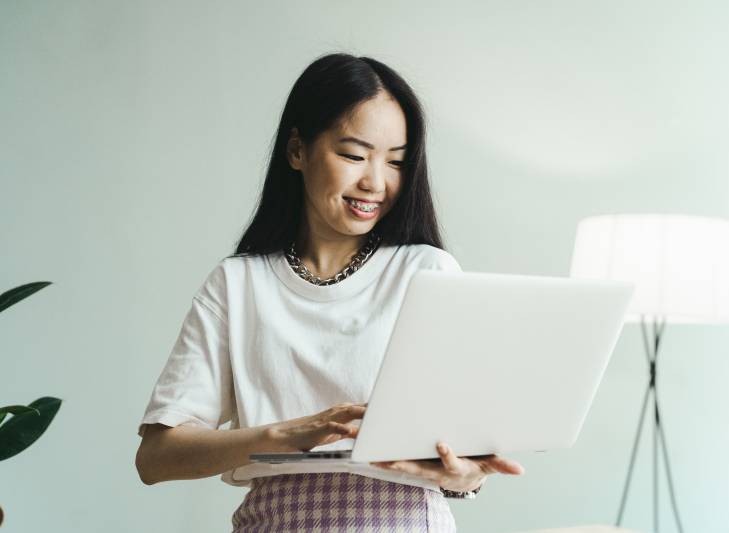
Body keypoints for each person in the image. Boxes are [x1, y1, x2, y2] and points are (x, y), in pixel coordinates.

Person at [135, 52, 524, 532]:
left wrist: (466, 476)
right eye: (354, 155)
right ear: (297, 150)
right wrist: (285, 434)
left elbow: (463, 456)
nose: (374, 182)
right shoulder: (238, 283)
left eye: (396, 162)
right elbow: (155, 458)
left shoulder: (428, 271)